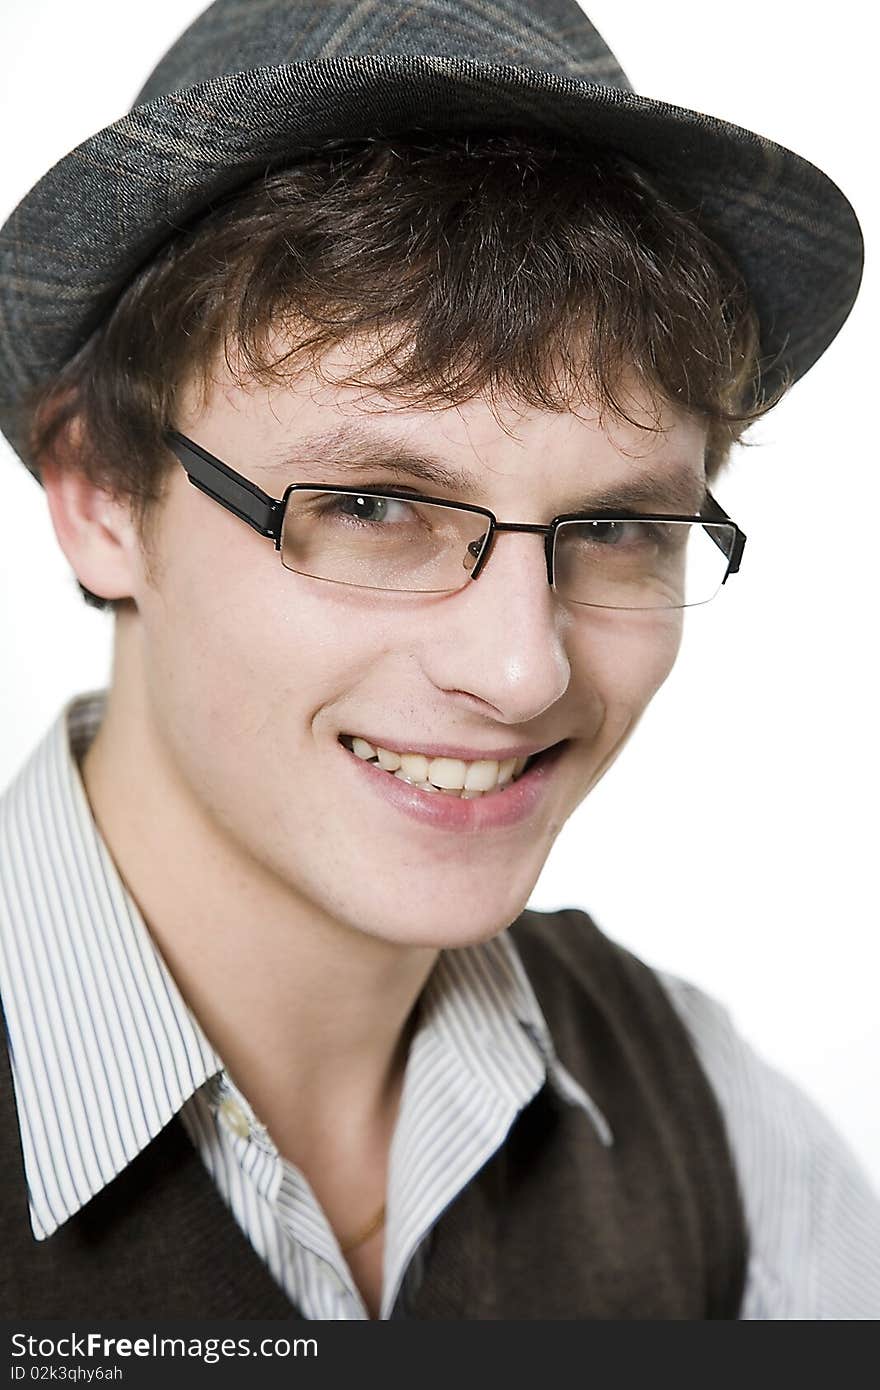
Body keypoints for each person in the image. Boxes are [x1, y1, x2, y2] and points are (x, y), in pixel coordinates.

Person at [0, 0, 877, 1321]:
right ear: (100, 492)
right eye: (371, 507)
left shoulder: (722, 1130)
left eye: (620, 526)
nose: (523, 669)